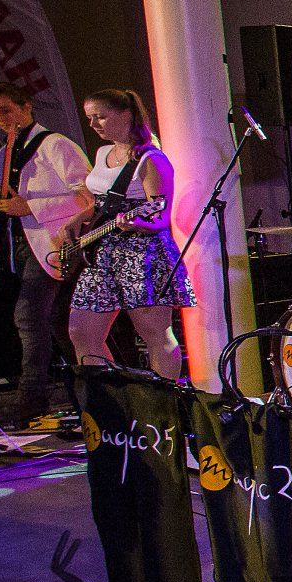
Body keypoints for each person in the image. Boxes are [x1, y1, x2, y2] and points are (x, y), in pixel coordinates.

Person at [67, 89, 191, 380]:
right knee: (81, 330)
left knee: (154, 332)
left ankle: (164, 398)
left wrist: (135, 224)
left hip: (142, 254)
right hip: (101, 252)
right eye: (90, 118)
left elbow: (160, 217)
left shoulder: (151, 159)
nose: (93, 124)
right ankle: (110, 397)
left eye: (101, 117)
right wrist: (79, 217)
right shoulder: (103, 153)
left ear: (126, 115)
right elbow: (103, 202)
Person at [0, 81, 92, 426]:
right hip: (25, 245)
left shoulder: (55, 145)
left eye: (6, 110)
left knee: (29, 316)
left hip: (56, 242)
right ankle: (91, 393)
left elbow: (87, 197)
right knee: (62, 323)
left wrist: (29, 206)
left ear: (26, 106)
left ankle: (31, 398)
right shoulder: (6, 152)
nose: (0, 118)